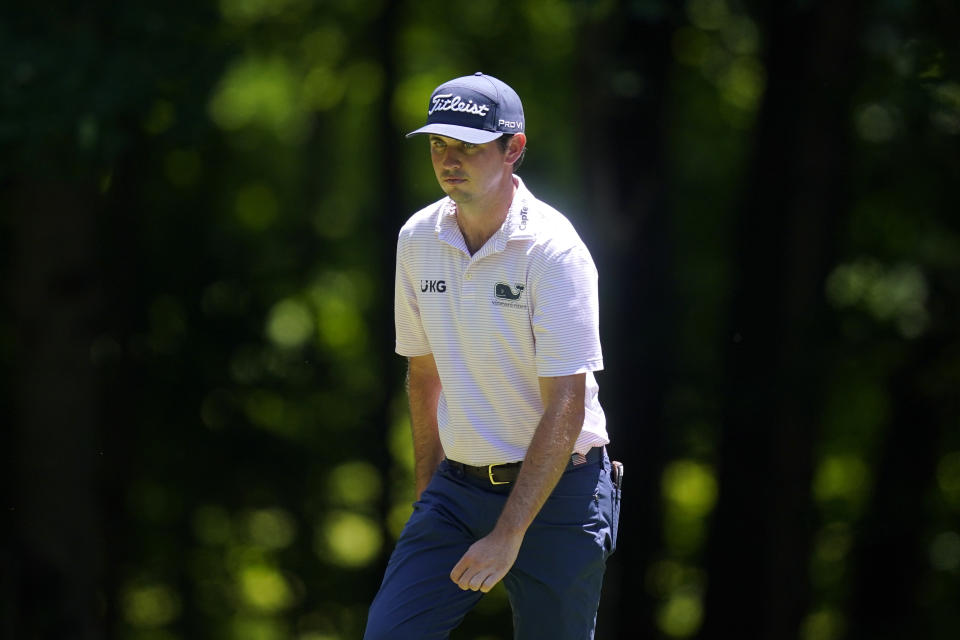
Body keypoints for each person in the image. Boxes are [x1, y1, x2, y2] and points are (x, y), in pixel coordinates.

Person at [364, 72, 622, 640]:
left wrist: (509, 534)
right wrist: (428, 495)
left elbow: (566, 405)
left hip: (561, 492)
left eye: (469, 146)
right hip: (457, 489)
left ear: (514, 149)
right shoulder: (417, 238)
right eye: (439, 144)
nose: (449, 160)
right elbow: (423, 373)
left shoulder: (555, 251)